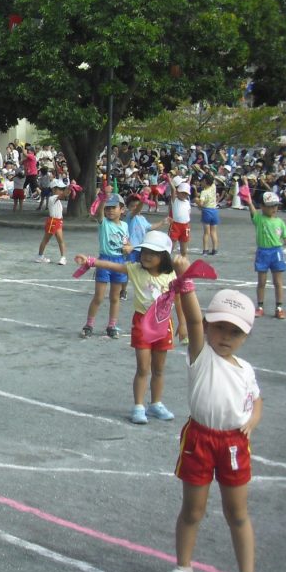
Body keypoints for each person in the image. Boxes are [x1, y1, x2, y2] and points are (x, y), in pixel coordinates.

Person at [159, 277, 263, 572]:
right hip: (200, 439)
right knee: (193, 510)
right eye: (219, 327)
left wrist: (253, 421)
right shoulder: (201, 358)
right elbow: (190, 318)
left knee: (237, 513)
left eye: (235, 332)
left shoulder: (245, 369)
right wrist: (186, 286)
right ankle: (183, 569)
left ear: (245, 335)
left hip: (234, 443)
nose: (226, 337)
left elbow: (256, 400)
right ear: (207, 326)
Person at [74, 230, 182, 425]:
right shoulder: (135, 269)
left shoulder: (172, 275)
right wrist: (90, 261)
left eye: (154, 253)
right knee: (143, 368)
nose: (147, 256)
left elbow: (180, 299)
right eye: (145, 251)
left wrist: (182, 323)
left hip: (164, 324)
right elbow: (113, 265)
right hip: (142, 323)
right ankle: (139, 406)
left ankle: (156, 403)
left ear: (164, 256)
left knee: (159, 369)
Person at [242, 181, 286, 319]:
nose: (274, 209)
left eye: (276, 206)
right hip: (263, 252)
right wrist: (248, 201)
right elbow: (252, 208)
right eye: (270, 206)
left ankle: (279, 307)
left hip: (276, 252)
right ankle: (260, 306)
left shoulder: (280, 222)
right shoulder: (259, 218)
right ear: (262, 206)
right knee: (262, 281)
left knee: (278, 282)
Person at [79, 193, 129, 338]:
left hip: (119, 261)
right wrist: (102, 199)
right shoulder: (104, 223)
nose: (110, 211)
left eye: (114, 208)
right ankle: (89, 324)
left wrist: (129, 248)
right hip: (104, 261)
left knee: (115, 297)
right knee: (99, 297)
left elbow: (127, 242)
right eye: (108, 208)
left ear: (122, 209)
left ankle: (112, 325)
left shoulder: (125, 226)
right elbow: (98, 214)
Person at [35, 179, 70, 264]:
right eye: (59, 189)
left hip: (55, 221)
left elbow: (65, 194)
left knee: (48, 240)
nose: (61, 191)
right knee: (58, 240)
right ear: (54, 189)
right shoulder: (53, 198)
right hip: (54, 222)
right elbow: (65, 194)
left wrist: (69, 188)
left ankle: (41, 256)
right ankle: (62, 257)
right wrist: (70, 187)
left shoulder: (55, 199)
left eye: (62, 189)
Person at [195, 173, 220, 256]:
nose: (201, 182)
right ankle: (215, 250)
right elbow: (212, 178)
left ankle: (205, 250)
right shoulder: (213, 187)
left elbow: (201, 204)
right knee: (214, 232)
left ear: (205, 181)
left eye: (202, 181)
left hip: (207, 211)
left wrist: (196, 201)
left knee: (206, 232)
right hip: (214, 211)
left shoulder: (204, 192)